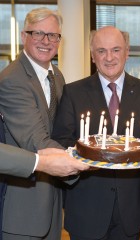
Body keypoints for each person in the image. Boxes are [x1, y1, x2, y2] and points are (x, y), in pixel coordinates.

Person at [52, 26, 140, 240]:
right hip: (87, 206)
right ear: (93, 55)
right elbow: (62, 140)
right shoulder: (73, 92)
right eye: (101, 51)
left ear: (127, 52)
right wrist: (78, 157)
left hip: (131, 207)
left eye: (116, 50)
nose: (109, 57)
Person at [0, 7, 68, 240]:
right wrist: (86, 160)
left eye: (53, 36)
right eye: (38, 33)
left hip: (52, 203)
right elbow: (36, 141)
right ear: (23, 36)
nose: (46, 41)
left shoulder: (57, 76)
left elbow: (60, 131)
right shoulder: (12, 80)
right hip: (24, 209)